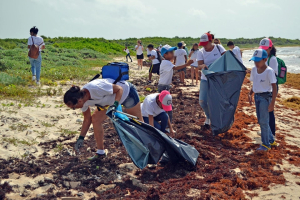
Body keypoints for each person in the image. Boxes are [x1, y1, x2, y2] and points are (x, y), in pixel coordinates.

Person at [63, 79, 143, 160]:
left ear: (79, 101)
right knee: (96, 119)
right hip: (110, 102)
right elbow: (87, 119)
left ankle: (147, 147)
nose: (74, 109)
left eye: (73, 108)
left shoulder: (95, 88)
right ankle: (101, 152)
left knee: (139, 123)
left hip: (127, 93)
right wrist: (81, 138)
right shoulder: (83, 101)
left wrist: (116, 104)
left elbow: (119, 89)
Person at [248, 49, 278, 151]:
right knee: (261, 121)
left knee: (264, 121)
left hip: (266, 97)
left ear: (265, 59)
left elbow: (274, 87)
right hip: (257, 97)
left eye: (258, 61)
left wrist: (272, 103)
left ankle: (266, 145)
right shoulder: (253, 70)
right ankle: (271, 140)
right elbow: (255, 83)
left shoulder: (269, 71)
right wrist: (250, 93)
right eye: (254, 61)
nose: (256, 63)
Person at [197, 32, 226, 127]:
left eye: (206, 44)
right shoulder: (200, 52)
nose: (204, 46)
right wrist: (202, 66)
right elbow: (199, 66)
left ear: (211, 41)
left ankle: (219, 120)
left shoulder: (219, 48)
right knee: (202, 101)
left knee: (217, 101)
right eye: (203, 44)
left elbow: (227, 59)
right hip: (205, 78)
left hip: (218, 79)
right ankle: (209, 116)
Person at [158, 44, 193, 121]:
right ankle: (168, 124)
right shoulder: (166, 62)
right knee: (167, 106)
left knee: (165, 106)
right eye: (171, 52)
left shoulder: (166, 62)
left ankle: (166, 123)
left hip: (164, 86)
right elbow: (176, 68)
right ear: (165, 54)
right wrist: (187, 64)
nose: (173, 53)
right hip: (164, 87)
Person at [259, 38, 278, 136]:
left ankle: (272, 134)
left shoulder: (273, 59)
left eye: (265, 49)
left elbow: (273, 76)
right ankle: (266, 131)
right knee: (264, 112)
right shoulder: (264, 58)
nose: (264, 51)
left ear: (270, 48)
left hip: (271, 88)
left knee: (270, 111)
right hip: (264, 87)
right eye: (262, 49)